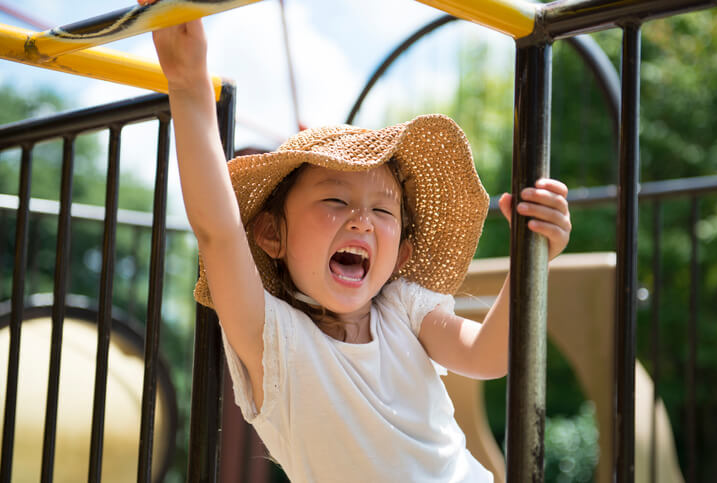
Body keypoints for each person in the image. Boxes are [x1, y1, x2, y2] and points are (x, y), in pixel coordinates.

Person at [144, 12, 571, 483]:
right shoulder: (274, 340)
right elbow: (218, 233)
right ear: (270, 234)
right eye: (334, 199)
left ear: (400, 257)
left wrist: (533, 260)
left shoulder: (404, 308)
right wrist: (187, 88)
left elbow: (488, 355)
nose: (362, 222)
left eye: (383, 212)